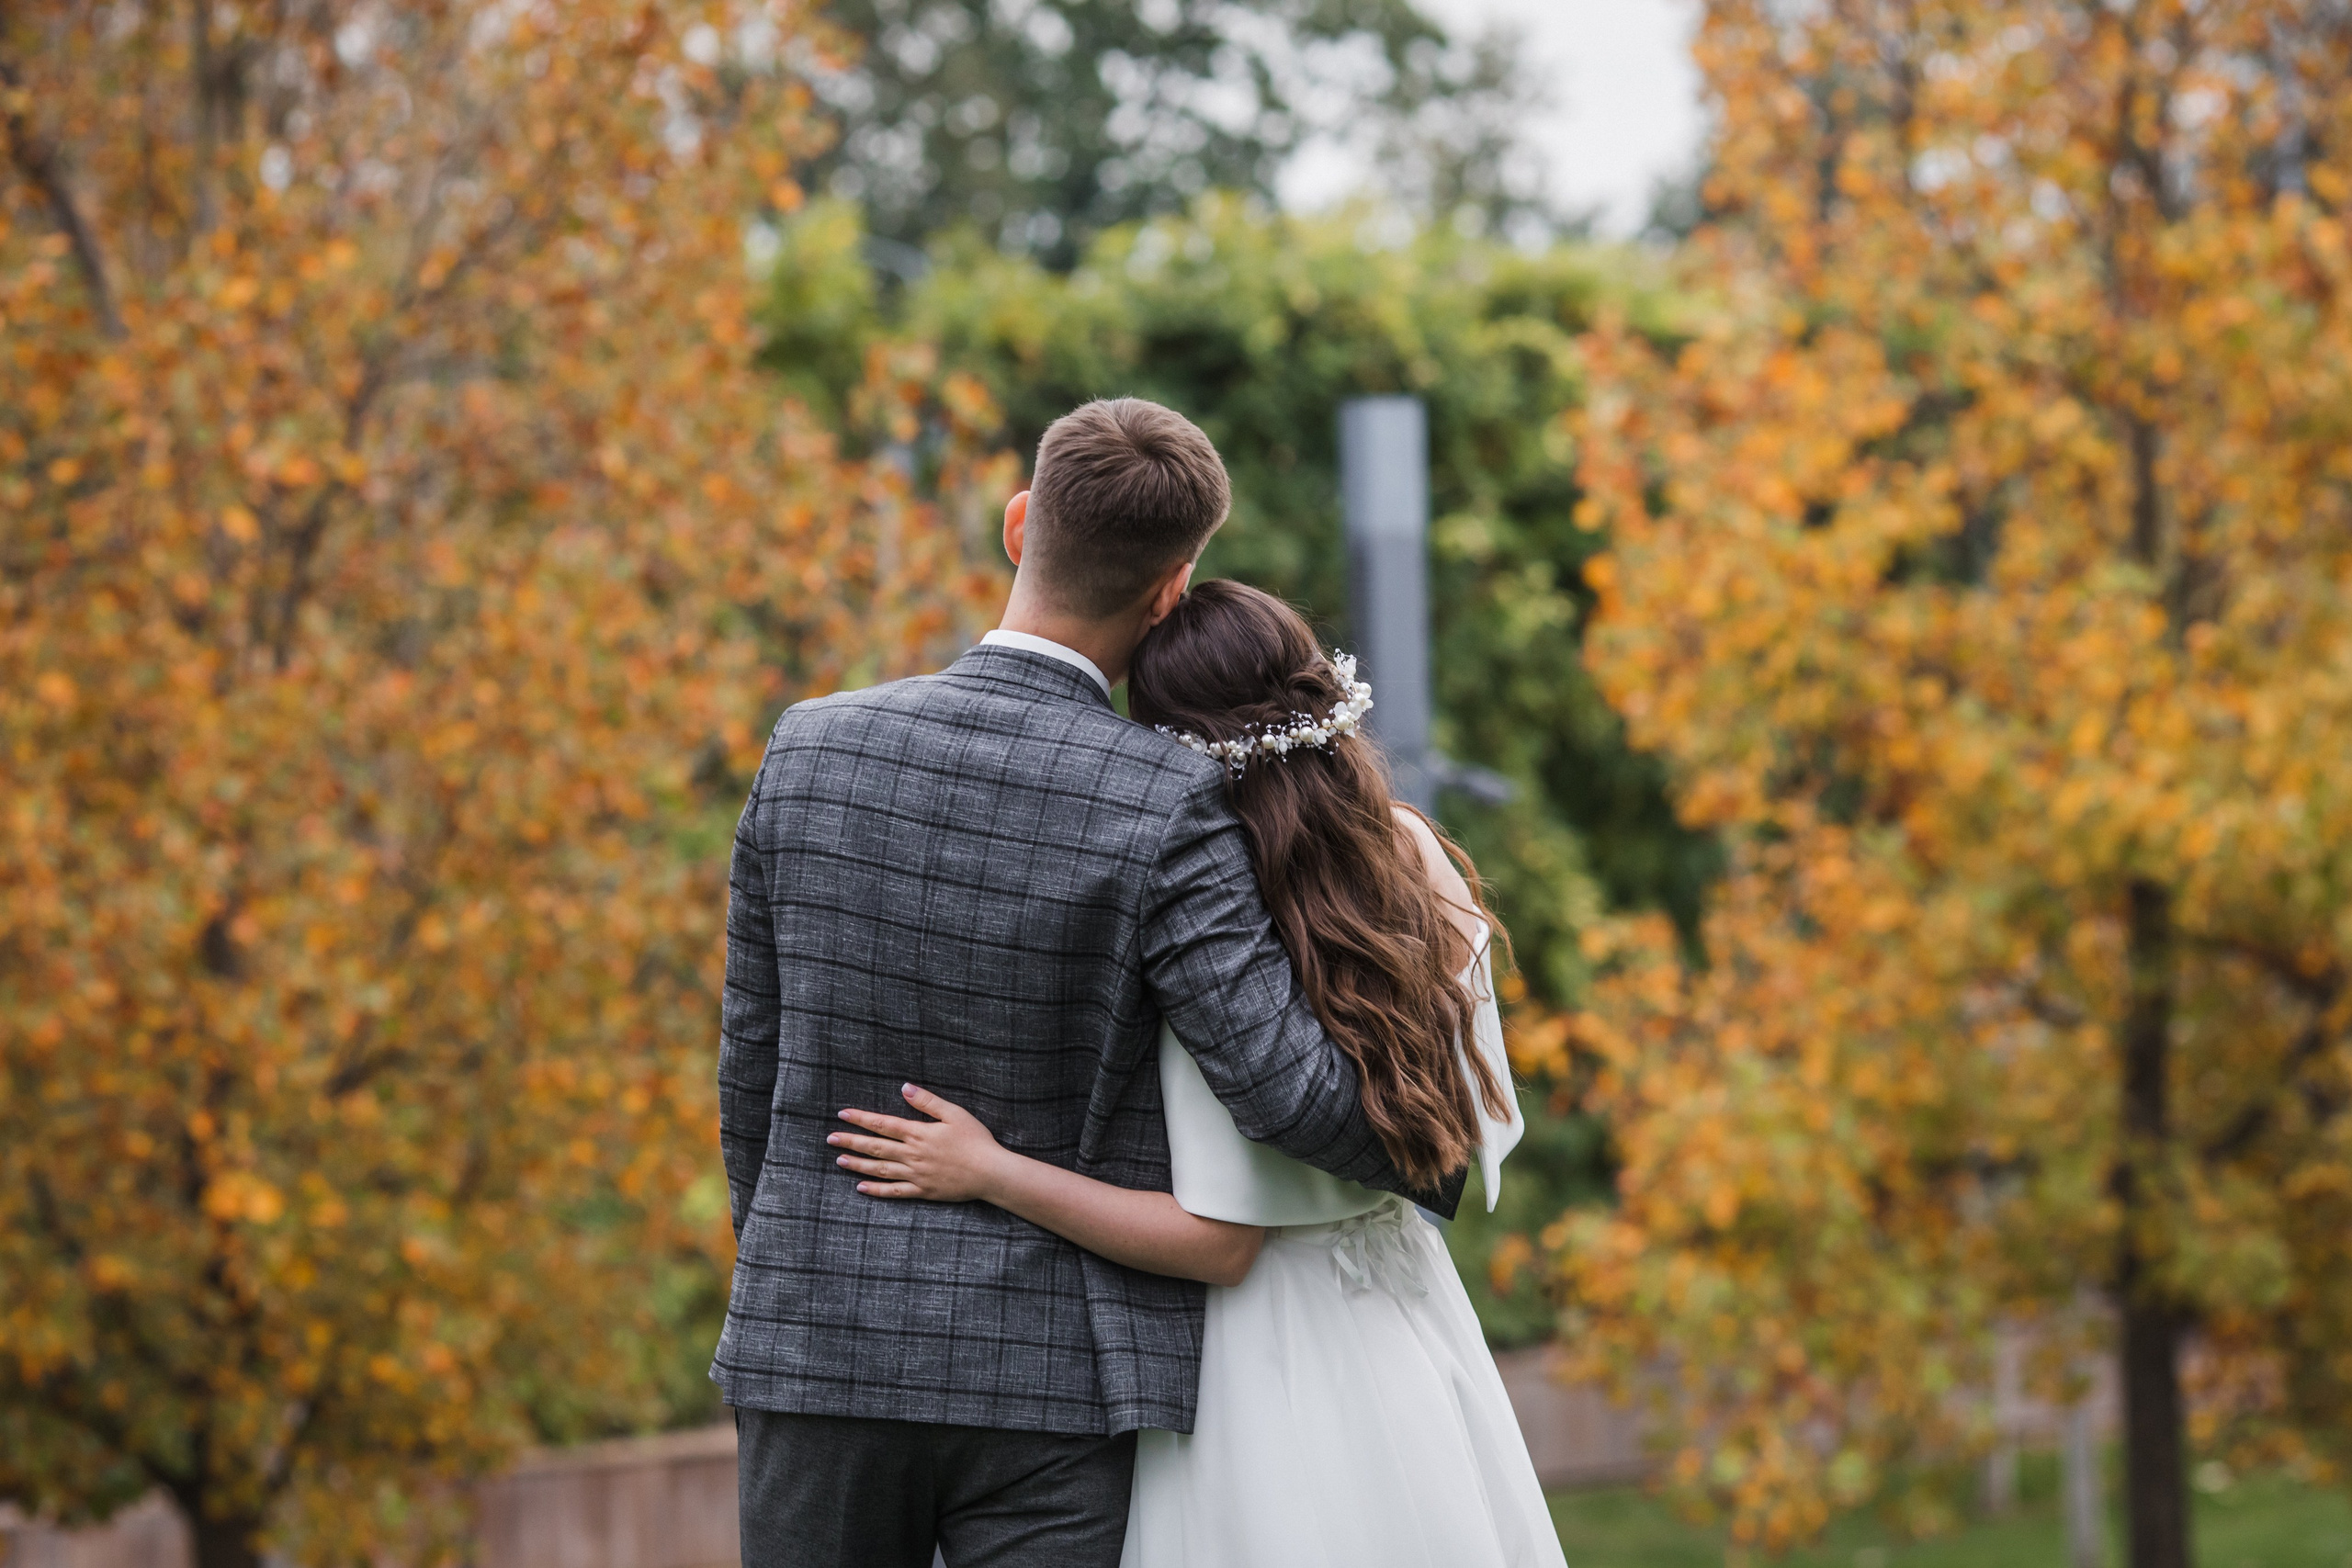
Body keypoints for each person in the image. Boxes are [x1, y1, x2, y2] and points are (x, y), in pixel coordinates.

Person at [713, 399, 1452, 1568]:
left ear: (1018, 526)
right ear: (1170, 592)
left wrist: (808, 1270)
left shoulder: (807, 746)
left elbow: (751, 1077)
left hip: (818, 1346)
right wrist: (1435, 1132)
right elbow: (1286, 1095)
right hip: (1057, 1382)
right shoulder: (1168, 800)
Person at [828, 580, 1569, 1568]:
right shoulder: (1413, 852)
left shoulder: (1222, 945)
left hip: (1255, 1375)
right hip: (1408, 1333)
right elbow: (1464, 1129)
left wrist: (988, 1169)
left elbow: (1218, 1246)